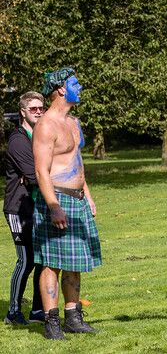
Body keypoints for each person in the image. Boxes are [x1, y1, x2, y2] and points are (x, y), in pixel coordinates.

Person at [33, 67, 102, 340]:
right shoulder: (46, 125)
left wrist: (88, 193)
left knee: (75, 261)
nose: (80, 86)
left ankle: (73, 317)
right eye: (75, 83)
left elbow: (76, 162)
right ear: (61, 89)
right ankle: (51, 322)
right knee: (52, 262)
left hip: (77, 199)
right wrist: (53, 206)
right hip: (58, 198)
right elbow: (41, 170)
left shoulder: (73, 122)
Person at [4, 92, 45, 325]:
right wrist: (36, 175)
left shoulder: (39, 136)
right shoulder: (18, 140)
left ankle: (38, 311)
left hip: (38, 205)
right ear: (22, 112)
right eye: (33, 109)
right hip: (18, 209)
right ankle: (13, 312)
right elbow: (33, 174)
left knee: (42, 260)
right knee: (26, 260)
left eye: (41, 108)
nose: (39, 111)